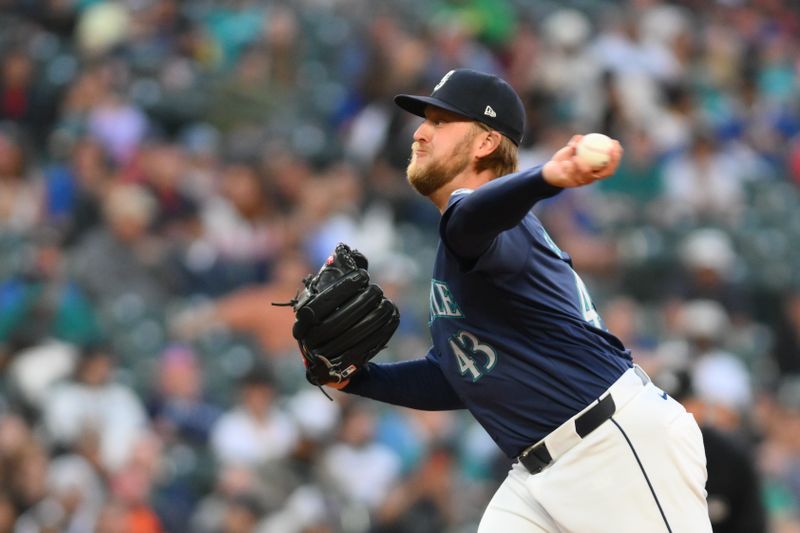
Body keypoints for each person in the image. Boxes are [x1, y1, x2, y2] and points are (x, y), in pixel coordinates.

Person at [326, 68, 711, 531]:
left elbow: (472, 217)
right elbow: (459, 378)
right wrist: (357, 380)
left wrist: (546, 177)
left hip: (614, 447)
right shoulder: (467, 240)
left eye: (441, 121)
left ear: (486, 142)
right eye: (424, 120)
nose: (420, 132)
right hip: (537, 474)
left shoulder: (495, 223)